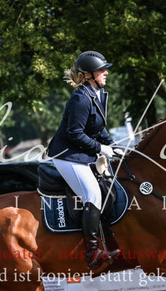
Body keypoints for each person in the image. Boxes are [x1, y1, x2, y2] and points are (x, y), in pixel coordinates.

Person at [47, 51, 118, 270]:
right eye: (101, 70)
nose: (106, 73)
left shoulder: (98, 94)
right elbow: (75, 133)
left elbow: (98, 128)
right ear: (88, 75)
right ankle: (93, 253)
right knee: (93, 195)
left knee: (109, 187)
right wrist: (100, 148)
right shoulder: (80, 98)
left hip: (82, 154)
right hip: (67, 155)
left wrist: (113, 145)